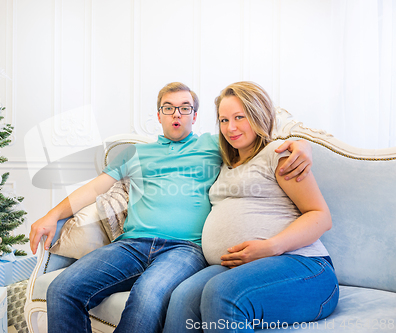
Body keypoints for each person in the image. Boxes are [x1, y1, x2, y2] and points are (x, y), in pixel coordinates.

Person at [29, 82, 314, 333]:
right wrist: (50, 216)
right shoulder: (135, 153)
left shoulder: (217, 144)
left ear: (195, 116)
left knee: (147, 297)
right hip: (131, 245)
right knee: (63, 289)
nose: (177, 114)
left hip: (185, 249)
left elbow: (263, 132)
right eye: (169, 108)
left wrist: (302, 144)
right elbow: (93, 189)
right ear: (159, 115)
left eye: (184, 108)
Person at [162, 81, 339, 333]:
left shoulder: (278, 155)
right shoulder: (225, 163)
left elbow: (321, 216)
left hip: (303, 267)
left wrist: (270, 247)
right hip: (237, 268)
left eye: (239, 117)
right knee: (182, 297)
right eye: (223, 120)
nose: (230, 128)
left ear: (258, 116)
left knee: (222, 292)